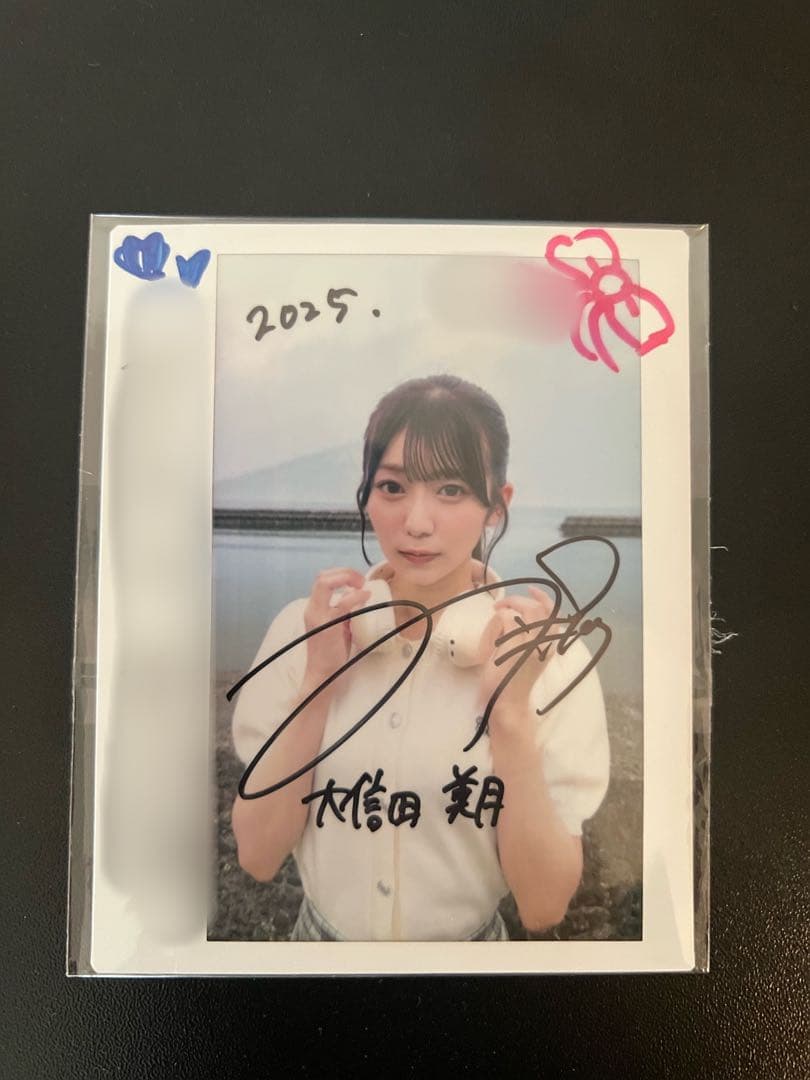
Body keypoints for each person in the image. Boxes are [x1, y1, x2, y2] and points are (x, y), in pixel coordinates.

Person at [230, 374, 609, 941]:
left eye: (451, 490)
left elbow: (544, 906)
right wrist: (318, 683)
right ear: (366, 495)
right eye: (392, 487)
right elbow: (258, 856)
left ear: (496, 506)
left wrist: (510, 717)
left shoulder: (550, 659)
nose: (416, 522)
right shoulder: (304, 632)